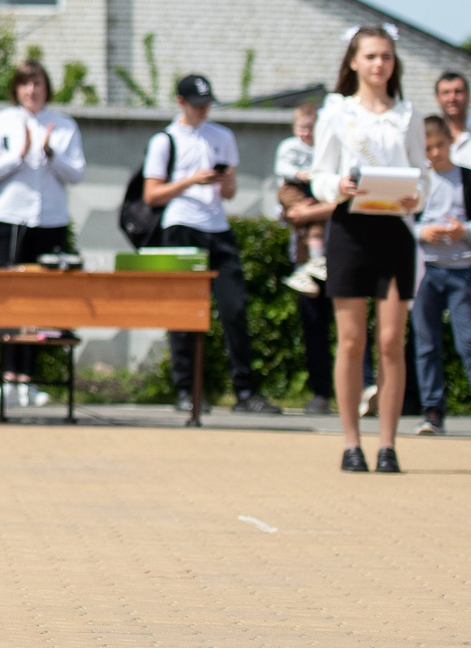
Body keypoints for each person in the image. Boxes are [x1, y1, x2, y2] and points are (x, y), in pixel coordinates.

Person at [310, 27, 426, 473]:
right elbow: (319, 173)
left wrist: (420, 197)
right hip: (350, 229)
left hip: (394, 229)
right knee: (352, 339)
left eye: (387, 57)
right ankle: (351, 442)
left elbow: (423, 174)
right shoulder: (336, 113)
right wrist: (335, 186)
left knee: (392, 339)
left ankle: (388, 444)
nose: (380, 65)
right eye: (372, 56)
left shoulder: (408, 115)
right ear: (354, 62)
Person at [141, 74, 273, 415]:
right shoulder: (165, 140)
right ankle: (186, 389)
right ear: (180, 102)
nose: (203, 110)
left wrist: (225, 180)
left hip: (217, 226)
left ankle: (245, 391)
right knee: (184, 311)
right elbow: (151, 194)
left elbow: (229, 193)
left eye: (207, 104)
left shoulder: (222, 136)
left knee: (235, 308)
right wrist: (190, 180)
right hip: (181, 225)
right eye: (197, 105)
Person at [0, 60, 85, 406]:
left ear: (46, 87)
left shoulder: (64, 124)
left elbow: (76, 174)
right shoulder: (1, 121)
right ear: (16, 89)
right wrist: (18, 154)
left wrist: (51, 153)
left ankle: (29, 379)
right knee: (9, 297)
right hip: (10, 218)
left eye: (37, 84)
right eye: (25, 84)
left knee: (40, 298)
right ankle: (7, 377)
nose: (31, 91)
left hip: (49, 220)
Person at [409, 117, 471, 439]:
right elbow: (402, 223)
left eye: (439, 146)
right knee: (426, 343)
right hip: (425, 271)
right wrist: (423, 231)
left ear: (450, 142)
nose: (434, 153)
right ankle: (432, 410)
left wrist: (465, 231)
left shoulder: (469, 179)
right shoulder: (417, 182)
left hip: (463, 270)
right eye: (427, 148)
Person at [274, 104, 337, 416]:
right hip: (306, 257)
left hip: (338, 253)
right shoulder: (290, 153)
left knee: (351, 330)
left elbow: (344, 202)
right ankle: (321, 392)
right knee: (314, 328)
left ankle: (364, 388)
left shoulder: (331, 154)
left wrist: (312, 211)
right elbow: (288, 209)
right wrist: (299, 211)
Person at [433, 70, 471, 164]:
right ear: (437, 98)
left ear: (468, 96)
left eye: (458, 92)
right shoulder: (427, 138)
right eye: (446, 93)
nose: (452, 98)